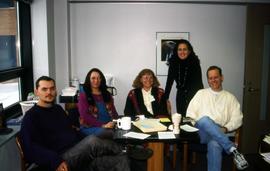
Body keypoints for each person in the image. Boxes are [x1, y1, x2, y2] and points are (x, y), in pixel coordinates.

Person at [20, 76, 130, 171]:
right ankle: (125, 150)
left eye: (52, 88)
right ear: (36, 92)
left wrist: (84, 139)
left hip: (78, 154)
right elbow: (30, 148)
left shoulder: (58, 109)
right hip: (60, 159)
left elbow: (72, 131)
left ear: (56, 90)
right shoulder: (31, 117)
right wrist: (55, 161)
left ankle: (125, 153)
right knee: (92, 141)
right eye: (44, 89)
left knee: (121, 160)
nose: (49, 92)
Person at [186, 66, 248, 171]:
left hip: (220, 131)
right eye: (210, 78)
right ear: (208, 80)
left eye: (216, 77)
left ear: (222, 78)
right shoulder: (201, 93)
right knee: (205, 119)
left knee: (214, 144)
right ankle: (231, 148)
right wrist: (196, 126)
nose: (213, 80)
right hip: (201, 132)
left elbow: (238, 119)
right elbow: (190, 115)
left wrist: (226, 129)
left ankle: (229, 148)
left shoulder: (230, 98)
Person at [164, 39, 203, 116]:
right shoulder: (173, 63)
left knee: (192, 119)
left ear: (189, 51)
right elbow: (169, 82)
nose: (182, 52)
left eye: (185, 49)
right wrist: (165, 99)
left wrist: (201, 98)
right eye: (180, 49)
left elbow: (199, 83)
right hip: (180, 95)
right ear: (176, 51)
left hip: (193, 95)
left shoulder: (195, 63)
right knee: (181, 118)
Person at [78, 68, 118, 136]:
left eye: (99, 78)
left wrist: (117, 121)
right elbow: (84, 116)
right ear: (89, 80)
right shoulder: (83, 94)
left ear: (101, 80)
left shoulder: (107, 94)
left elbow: (113, 111)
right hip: (91, 127)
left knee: (121, 130)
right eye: (93, 78)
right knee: (108, 132)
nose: (96, 81)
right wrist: (103, 125)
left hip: (108, 126)